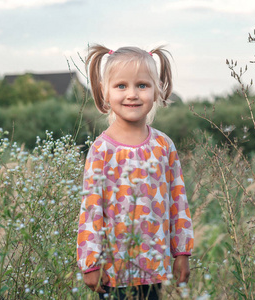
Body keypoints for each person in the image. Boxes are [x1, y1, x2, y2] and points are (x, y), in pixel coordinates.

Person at [77, 45, 194, 299]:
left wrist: (182, 253)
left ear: (157, 90)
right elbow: (91, 210)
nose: (132, 94)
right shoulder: (101, 150)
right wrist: (90, 263)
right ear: (105, 92)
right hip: (112, 273)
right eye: (121, 86)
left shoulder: (164, 146)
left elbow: (178, 202)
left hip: (154, 271)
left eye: (142, 85)